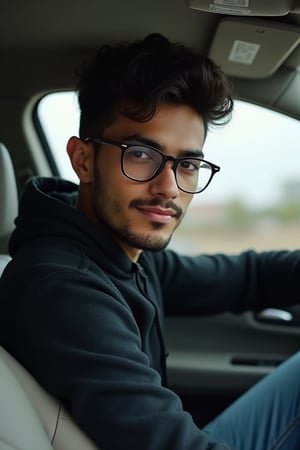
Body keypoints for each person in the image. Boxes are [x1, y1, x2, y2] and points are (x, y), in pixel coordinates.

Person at [0, 33, 299, 450]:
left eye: (188, 164)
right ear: (83, 159)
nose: (169, 188)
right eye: (141, 154)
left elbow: (249, 276)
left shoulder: (120, 250)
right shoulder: (62, 288)